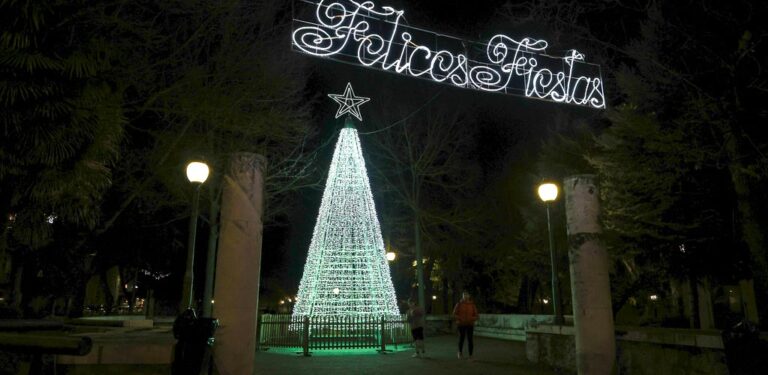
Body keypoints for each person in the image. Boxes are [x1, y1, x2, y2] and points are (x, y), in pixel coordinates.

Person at [453, 291, 478, 360]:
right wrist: (459, 319)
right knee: (461, 339)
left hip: (470, 324)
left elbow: (476, 315)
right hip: (461, 324)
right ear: (462, 296)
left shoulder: (472, 305)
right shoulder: (459, 304)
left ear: (469, 296)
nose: (465, 296)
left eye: (466, 295)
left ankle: (471, 355)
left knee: (470, 340)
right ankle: (460, 352)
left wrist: (472, 319)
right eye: (464, 295)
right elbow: (454, 314)